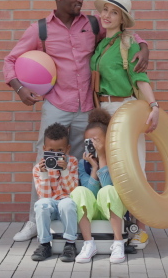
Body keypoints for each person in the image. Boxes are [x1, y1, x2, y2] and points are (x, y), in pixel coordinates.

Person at [2, 0, 151, 242]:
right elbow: (10, 61)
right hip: (57, 106)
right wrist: (20, 89)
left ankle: (79, 222)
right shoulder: (40, 29)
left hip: (86, 110)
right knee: (50, 162)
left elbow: (122, 32)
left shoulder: (92, 25)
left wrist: (143, 46)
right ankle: (36, 220)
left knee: (84, 166)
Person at [90, 0, 159, 249]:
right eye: (105, 10)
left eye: (114, 12)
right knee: (110, 168)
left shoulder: (127, 43)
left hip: (125, 108)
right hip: (103, 110)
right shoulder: (99, 45)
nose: (106, 15)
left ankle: (141, 230)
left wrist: (154, 105)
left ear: (122, 19)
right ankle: (117, 226)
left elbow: (140, 76)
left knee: (134, 168)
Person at [70, 108, 127, 264]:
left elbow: (108, 187)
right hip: (94, 210)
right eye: (88, 141)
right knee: (80, 190)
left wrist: (102, 157)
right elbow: (89, 194)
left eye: (96, 140)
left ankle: (118, 242)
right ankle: (89, 244)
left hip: (113, 209)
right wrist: (94, 168)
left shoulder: (116, 160)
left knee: (107, 190)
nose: (92, 144)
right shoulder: (83, 164)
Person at [31, 122, 79, 262]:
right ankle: (44, 244)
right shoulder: (38, 168)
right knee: (41, 205)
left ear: (67, 149)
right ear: (44, 149)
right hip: (50, 205)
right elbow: (44, 197)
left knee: (68, 203)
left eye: (60, 151)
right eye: (51, 151)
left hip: (65, 203)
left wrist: (64, 171)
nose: (56, 155)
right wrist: (44, 174)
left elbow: (72, 192)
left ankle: (70, 244)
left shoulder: (73, 163)